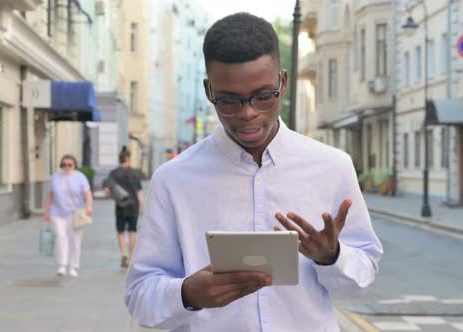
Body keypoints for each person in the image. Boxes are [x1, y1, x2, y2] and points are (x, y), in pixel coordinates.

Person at [125, 13, 383, 331]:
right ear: (209, 90)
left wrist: (332, 256)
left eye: (263, 96)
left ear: (283, 83)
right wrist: (187, 293)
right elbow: (139, 297)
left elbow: (361, 281)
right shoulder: (173, 180)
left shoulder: (332, 167)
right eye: (229, 100)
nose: (248, 113)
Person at [43, 154, 93, 277]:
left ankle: (73, 266)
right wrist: (46, 211)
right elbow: (50, 195)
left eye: (69, 164)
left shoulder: (80, 177)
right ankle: (62, 265)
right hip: (57, 213)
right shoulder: (55, 177)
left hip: (75, 213)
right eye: (64, 164)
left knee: (75, 240)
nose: (66, 167)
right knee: (61, 237)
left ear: (74, 165)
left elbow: (87, 194)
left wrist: (89, 207)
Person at [104, 146, 144, 268]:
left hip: (121, 205)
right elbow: (138, 192)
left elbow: (107, 190)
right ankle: (131, 257)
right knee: (132, 231)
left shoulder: (113, 173)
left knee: (120, 231)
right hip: (133, 206)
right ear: (128, 158)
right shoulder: (134, 173)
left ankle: (124, 254)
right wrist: (144, 206)